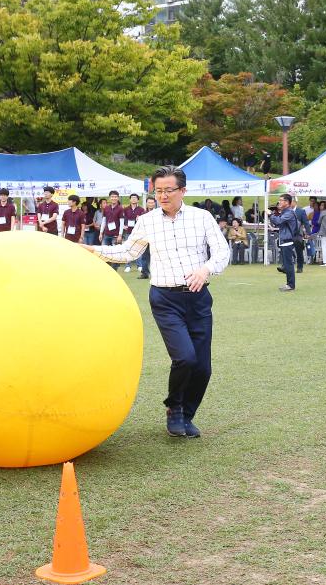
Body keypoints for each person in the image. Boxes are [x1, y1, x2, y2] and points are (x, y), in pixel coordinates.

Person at [82, 167, 229, 438]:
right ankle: (174, 408)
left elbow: (222, 250)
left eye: (168, 190)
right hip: (165, 299)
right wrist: (93, 250)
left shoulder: (202, 217)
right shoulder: (147, 220)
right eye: (158, 191)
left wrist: (204, 270)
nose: (162, 196)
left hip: (198, 298)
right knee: (184, 357)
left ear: (182, 191)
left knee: (202, 366)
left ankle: (187, 414)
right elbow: (129, 251)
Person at [269, 194, 299, 292]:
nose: (279, 202)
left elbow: (278, 221)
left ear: (287, 202)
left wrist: (271, 215)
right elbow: (277, 222)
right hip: (284, 240)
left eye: (281, 200)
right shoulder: (285, 212)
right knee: (286, 264)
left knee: (288, 264)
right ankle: (288, 283)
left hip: (287, 241)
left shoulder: (289, 212)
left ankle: (290, 285)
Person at [123, 194, 146, 272]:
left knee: (137, 249)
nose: (133, 199)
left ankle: (139, 265)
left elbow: (143, 221)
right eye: (132, 198)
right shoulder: (125, 209)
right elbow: (122, 219)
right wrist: (123, 226)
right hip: (128, 232)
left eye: (135, 198)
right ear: (130, 200)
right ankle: (127, 266)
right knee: (127, 248)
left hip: (137, 232)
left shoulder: (141, 209)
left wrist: (139, 219)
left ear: (138, 200)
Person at [291, 198, 311, 273]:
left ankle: (300, 267)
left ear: (295, 202)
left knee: (299, 251)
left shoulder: (301, 211)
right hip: (288, 234)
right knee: (286, 250)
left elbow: (306, 222)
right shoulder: (287, 211)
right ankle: (285, 267)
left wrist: (308, 233)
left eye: (291, 202)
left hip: (298, 234)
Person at [138, 196, 156, 278]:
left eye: (152, 202)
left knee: (156, 257)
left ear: (155, 203)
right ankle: (145, 273)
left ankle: (156, 273)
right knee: (144, 257)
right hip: (145, 237)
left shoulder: (159, 213)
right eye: (149, 202)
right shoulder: (143, 214)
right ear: (146, 203)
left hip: (155, 238)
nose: (151, 204)